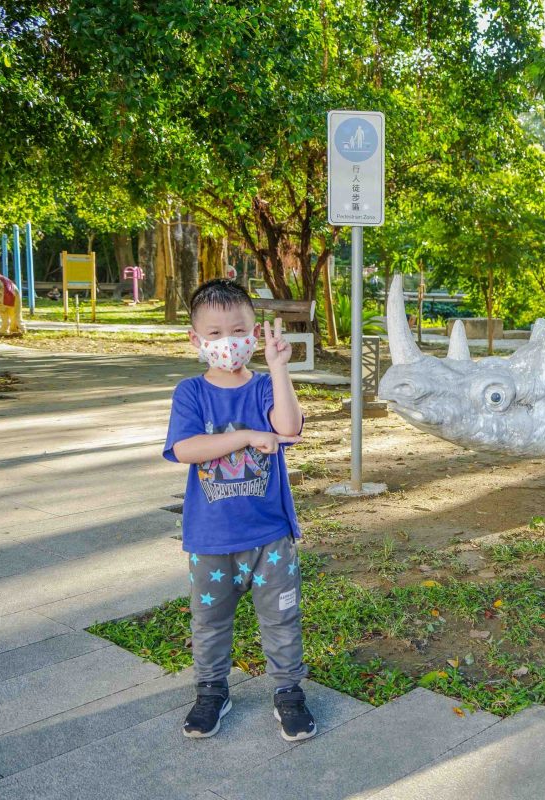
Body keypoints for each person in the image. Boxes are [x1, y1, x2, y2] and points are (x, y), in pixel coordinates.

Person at [163, 278, 315, 742]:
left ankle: (288, 692)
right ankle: (211, 691)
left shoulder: (265, 386)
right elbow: (186, 448)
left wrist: (279, 368)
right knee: (209, 622)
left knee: (282, 618)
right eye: (214, 333)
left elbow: (289, 426)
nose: (226, 342)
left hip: (270, 535)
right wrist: (247, 437)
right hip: (210, 538)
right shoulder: (191, 392)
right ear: (196, 339)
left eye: (237, 330)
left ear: (253, 334)